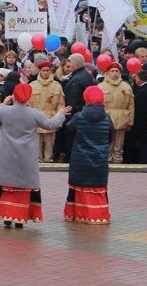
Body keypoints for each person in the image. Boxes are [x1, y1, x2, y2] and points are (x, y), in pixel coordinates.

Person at [0, 82, 70, 228]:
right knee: (22, 188)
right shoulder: (34, 114)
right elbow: (50, 125)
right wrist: (60, 114)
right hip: (26, 157)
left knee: (6, 186)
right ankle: (20, 218)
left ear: (14, 96)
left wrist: (3, 104)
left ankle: (6, 218)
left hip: (6, 155)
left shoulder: (5, 111)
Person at [64, 85, 113, 224]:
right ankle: (99, 215)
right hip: (100, 159)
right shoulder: (107, 118)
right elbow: (110, 137)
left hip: (80, 158)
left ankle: (77, 214)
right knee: (98, 186)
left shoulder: (79, 117)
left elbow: (69, 129)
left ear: (86, 99)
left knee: (78, 185)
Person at [29, 60, 64, 163]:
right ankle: (37, 159)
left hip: (51, 116)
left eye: (47, 70)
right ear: (39, 71)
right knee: (37, 142)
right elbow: (28, 103)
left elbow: (61, 104)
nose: (45, 73)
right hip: (36, 116)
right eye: (43, 70)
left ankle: (48, 159)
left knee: (50, 142)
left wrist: (59, 119)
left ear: (50, 71)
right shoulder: (32, 85)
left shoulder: (56, 86)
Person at [99, 61, 134, 164]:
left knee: (119, 146)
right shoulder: (101, 87)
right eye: (112, 71)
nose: (114, 73)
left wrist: (130, 122)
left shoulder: (126, 87)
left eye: (117, 71)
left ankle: (118, 161)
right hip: (106, 119)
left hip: (122, 119)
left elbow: (131, 106)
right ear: (107, 73)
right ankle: (107, 161)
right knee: (107, 144)